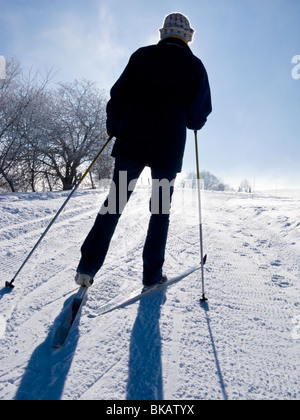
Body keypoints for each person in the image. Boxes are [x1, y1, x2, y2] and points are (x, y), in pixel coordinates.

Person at [75, 12, 212, 289]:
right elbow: (198, 113)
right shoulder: (195, 66)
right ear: (187, 37)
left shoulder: (141, 56)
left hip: (132, 141)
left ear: (163, 33)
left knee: (114, 204)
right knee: (159, 211)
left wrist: (113, 126)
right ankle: (151, 276)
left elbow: (118, 96)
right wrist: (194, 121)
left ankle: (87, 269)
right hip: (168, 148)